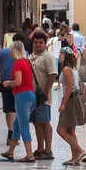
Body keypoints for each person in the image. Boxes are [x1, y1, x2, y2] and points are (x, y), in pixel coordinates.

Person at [0, 41, 36, 162]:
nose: (10, 54)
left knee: (23, 125)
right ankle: (10, 152)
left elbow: (18, 82)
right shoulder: (26, 62)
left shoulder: (18, 63)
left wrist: (7, 83)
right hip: (30, 95)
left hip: (22, 96)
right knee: (16, 125)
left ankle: (29, 155)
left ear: (15, 51)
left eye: (11, 51)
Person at [54, 48, 86, 166]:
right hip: (75, 99)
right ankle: (75, 157)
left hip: (71, 101)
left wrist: (63, 104)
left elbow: (69, 87)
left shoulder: (66, 69)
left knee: (60, 130)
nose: (59, 55)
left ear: (65, 56)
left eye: (61, 53)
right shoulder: (73, 69)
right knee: (70, 130)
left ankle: (79, 150)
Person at [30, 32, 58, 160]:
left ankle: (48, 149)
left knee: (45, 122)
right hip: (33, 96)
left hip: (43, 96)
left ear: (45, 44)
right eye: (35, 42)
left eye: (40, 42)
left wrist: (46, 92)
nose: (38, 45)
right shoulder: (32, 56)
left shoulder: (48, 57)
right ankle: (40, 148)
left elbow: (52, 75)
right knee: (37, 122)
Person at [0, 37, 18, 148]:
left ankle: (11, 132)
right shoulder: (23, 52)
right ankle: (14, 134)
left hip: (5, 83)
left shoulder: (3, 51)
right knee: (16, 110)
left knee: (9, 110)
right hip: (18, 84)